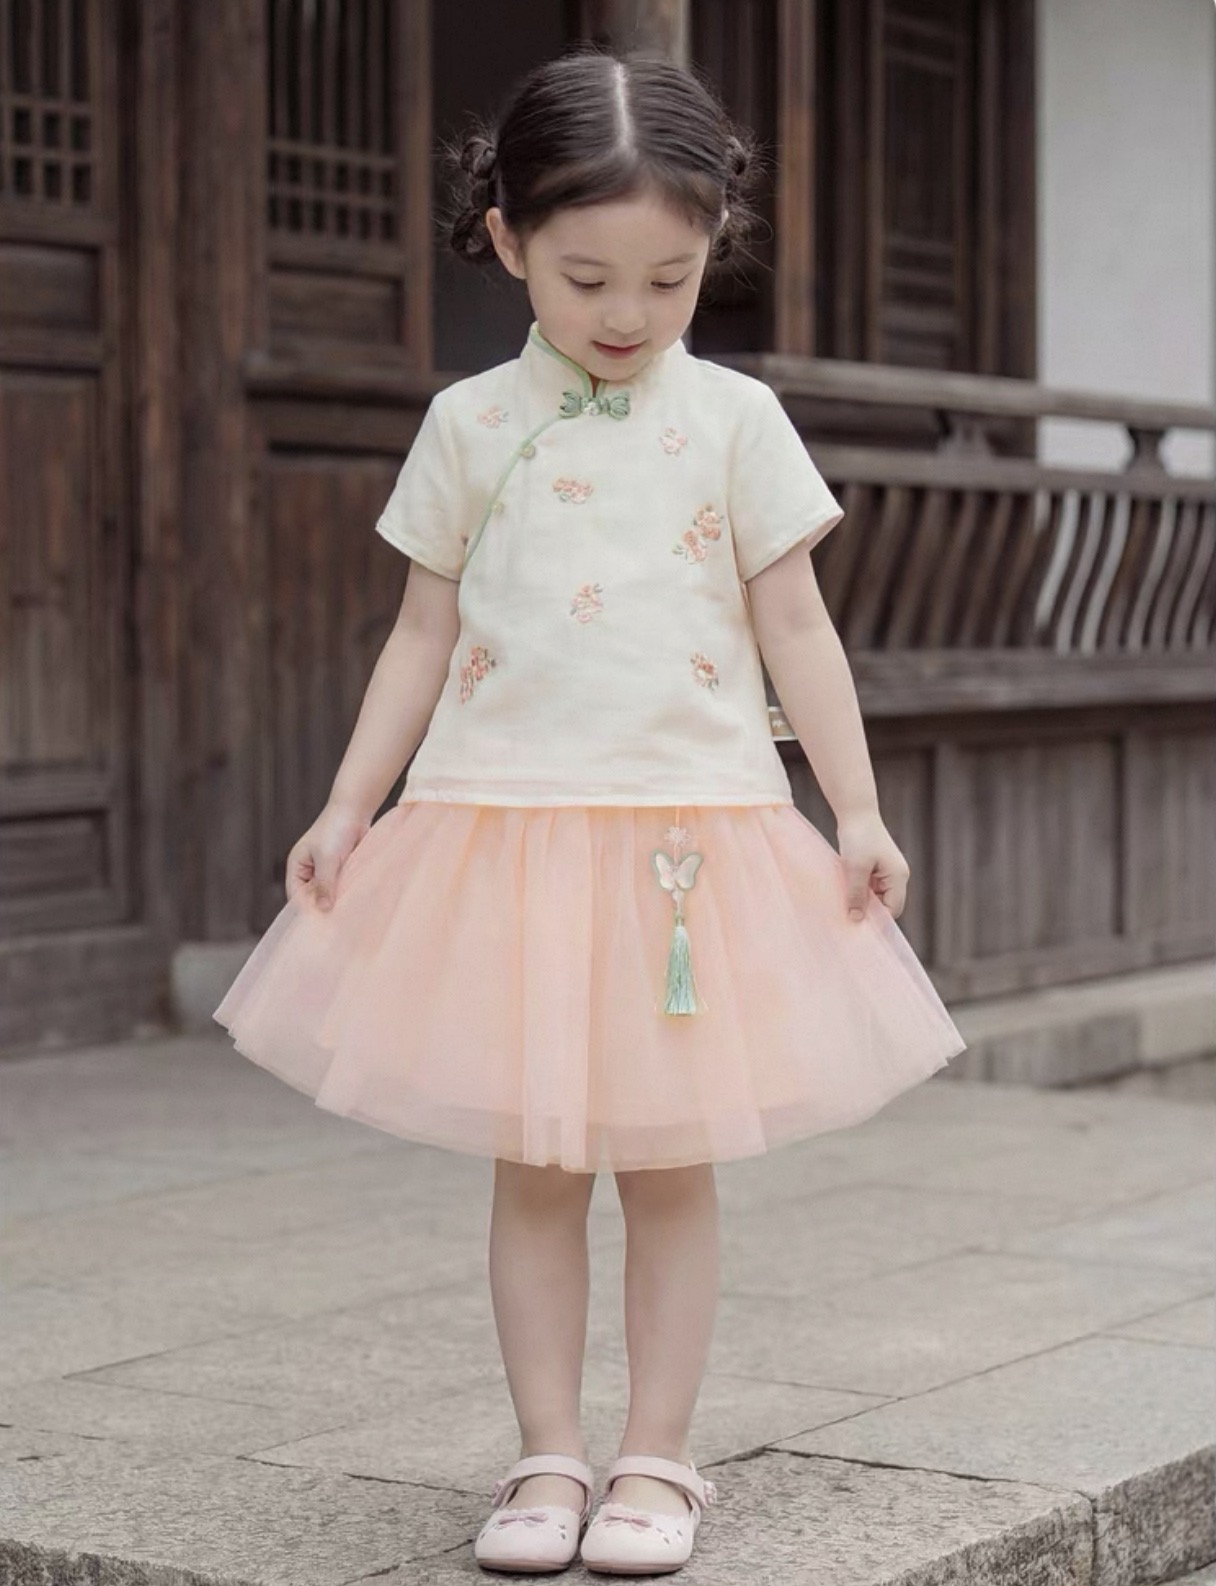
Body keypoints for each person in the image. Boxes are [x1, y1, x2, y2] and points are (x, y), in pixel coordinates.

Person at [213, 44, 967, 1578]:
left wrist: (859, 808)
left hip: (691, 844)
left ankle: (658, 1456)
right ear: (505, 240)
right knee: (538, 1168)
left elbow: (798, 625)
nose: (627, 314)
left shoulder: (739, 420)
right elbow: (420, 633)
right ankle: (548, 1452)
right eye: (586, 278)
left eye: (668, 281)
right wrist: (349, 804)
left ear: (711, 251)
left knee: (671, 1165)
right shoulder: (468, 424)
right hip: (505, 836)